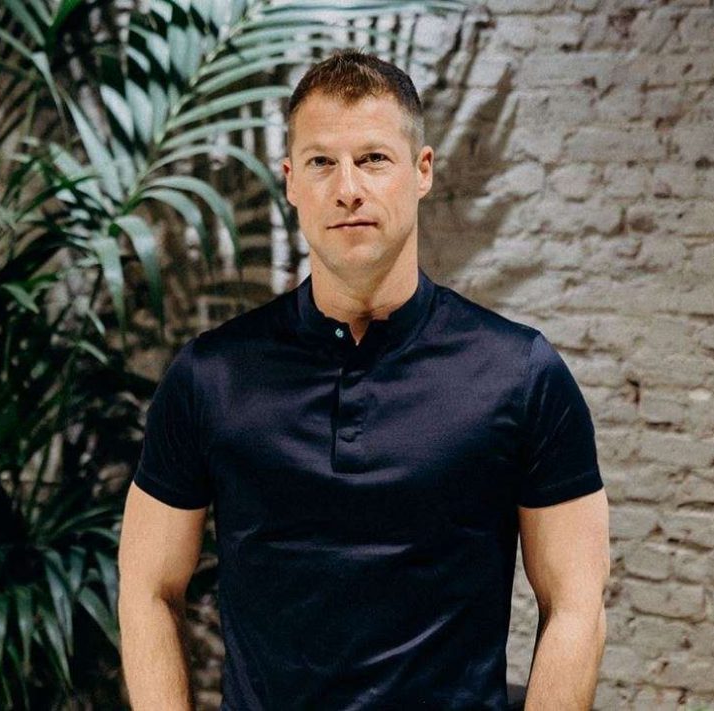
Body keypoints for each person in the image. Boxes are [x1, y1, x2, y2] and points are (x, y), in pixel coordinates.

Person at [117, 49, 610, 711]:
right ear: (291, 181)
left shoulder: (521, 373)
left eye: (373, 158)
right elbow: (147, 587)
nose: (347, 187)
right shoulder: (211, 376)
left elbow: (576, 603)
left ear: (422, 170)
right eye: (322, 162)